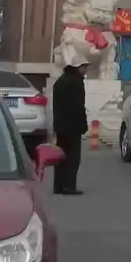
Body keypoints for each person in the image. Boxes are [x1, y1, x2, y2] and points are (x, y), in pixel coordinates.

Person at [51, 63, 88, 195]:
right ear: (78, 67)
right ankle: (69, 186)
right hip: (73, 126)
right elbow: (79, 106)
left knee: (60, 156)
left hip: (60, 125)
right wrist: (83, 125)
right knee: (73, 157)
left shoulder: (60, 81)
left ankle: (58, 185)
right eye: (84, 67)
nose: (86, 70)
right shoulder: (76, 82)